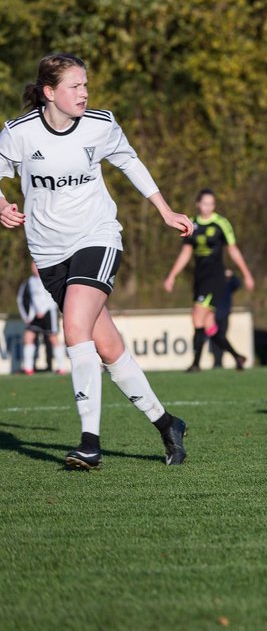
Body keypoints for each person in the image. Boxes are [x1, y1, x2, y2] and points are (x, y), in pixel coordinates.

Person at [0, 52, 191, 468]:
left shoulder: (100, 125)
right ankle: (167, 424)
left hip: (97, 237)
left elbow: (130, 161)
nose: (84, 93)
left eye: (86, 84)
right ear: (49, 93)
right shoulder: (20, 133)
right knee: (106, 346)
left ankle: (89, 442)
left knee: (74, 328)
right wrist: (1, 202)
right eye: (75, 86)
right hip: (48, 252)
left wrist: (164, 209)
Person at [163, 188, 254, 371]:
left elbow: (233, 249)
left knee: (197, 317)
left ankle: (196, 364)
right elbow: (186, 252)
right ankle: (238, 357)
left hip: (215, 278)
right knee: (208, 325)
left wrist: (246, 274)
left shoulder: (221, 223)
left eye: (211, 203)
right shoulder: (192, 223)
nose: (208, 207)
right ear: (198, 204)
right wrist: (172, 275)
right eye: (205, 203)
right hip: (200, 277)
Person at [17, 260, 66, 375]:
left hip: (49, 313)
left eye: (36, 265)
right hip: (34, 315)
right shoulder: (29, 282)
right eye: (33, 265)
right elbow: (21, 299)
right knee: (28, 337)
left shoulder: (50, 279)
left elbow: (56, 296)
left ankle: (61, 367)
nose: (35, 268)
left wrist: (44, 310)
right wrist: (27, 315)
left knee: (52, 338)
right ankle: (28, 368)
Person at [209, 267, 247, 369]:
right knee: (215, 339)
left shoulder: (227, 285)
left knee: (222, 338)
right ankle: (217, 362)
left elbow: (237, 284)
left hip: (224, 315)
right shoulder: (212, 284)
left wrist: (232, 275)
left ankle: (221, 361)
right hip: (213, 315)